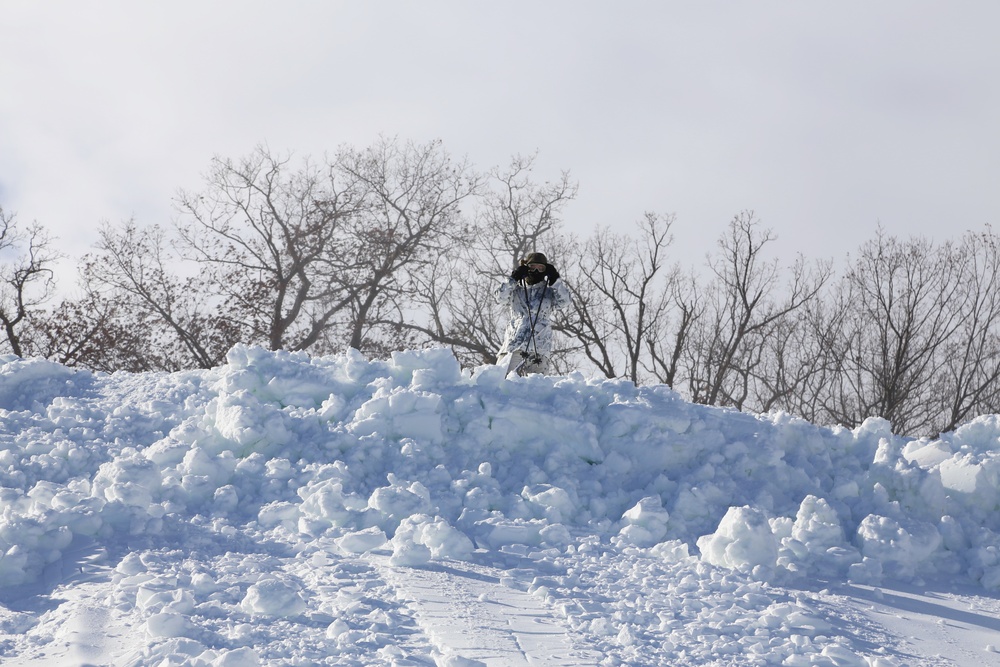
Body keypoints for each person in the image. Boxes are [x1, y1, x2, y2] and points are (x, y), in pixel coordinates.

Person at [495, 251, 570, 376]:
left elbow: (565, 302)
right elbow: (500, 297)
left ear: (545, 271)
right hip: (514, 344)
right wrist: (513, 279)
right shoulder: (515, 290)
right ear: (526, 268)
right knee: (502, 378)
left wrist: (555, 280)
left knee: (537, 387)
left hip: (540, 347)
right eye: (532, 267)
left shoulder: (550, 292)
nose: (536, 271)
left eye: (541, 268)